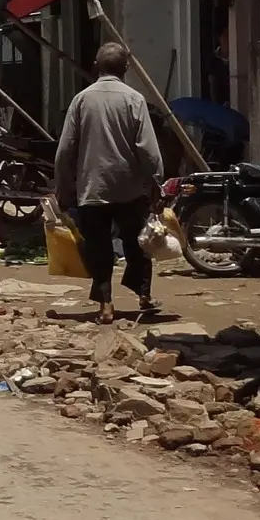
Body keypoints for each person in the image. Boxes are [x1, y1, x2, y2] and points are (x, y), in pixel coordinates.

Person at [54, 40, 166, 323]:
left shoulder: (81, 100)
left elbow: (65, 150)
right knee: (137, 243)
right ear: (126, 68)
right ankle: (143, 295)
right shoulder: (134, 99)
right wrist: (156, 182)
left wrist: (64, 187)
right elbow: (149, 150)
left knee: (99, 247)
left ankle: (105, 303)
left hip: (93, 188)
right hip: (130, 188)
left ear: (96, 66)